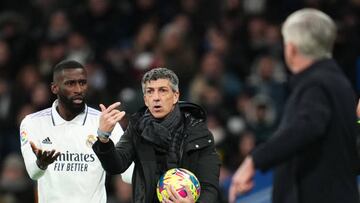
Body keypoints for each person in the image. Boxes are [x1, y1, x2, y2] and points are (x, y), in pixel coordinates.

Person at [229, 8, 360, 203]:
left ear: (291, 48)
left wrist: (254, 160)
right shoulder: (339, 83)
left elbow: (308, 125)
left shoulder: (316, 84)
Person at [92, 67, 220, 203]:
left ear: (176, 95)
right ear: (146, 99)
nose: (156, 98)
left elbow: (209, 187)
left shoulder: (198, 132)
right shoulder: (137, 129)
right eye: (150, 92)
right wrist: (103, 138)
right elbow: (116, 166)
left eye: (163, 90)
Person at [20, 60, 133, 203]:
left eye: (82, 83)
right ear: (54, 88)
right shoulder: (32, 122)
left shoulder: (105, 122)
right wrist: (41, 164)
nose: (78, 89)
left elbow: (128, 174)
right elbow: (33, 173)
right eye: (70, 83)